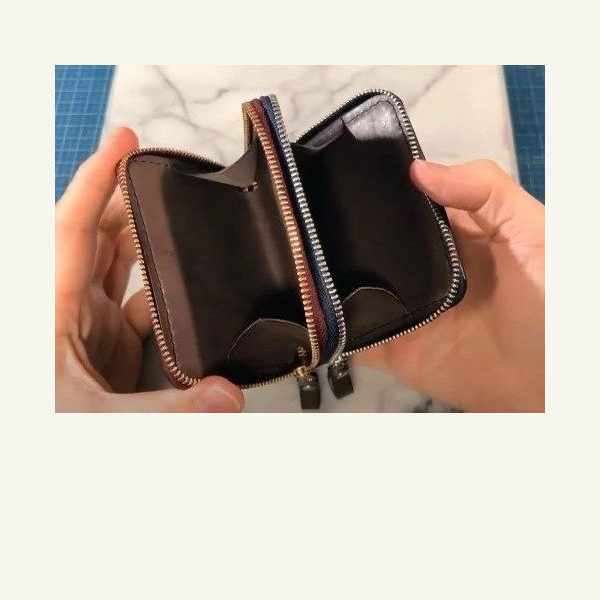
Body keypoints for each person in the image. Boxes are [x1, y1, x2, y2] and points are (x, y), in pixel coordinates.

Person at [55, 128, 544, 412]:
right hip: (323, 323)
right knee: (316, 342)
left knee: (316, 342)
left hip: (372, 315)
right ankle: (319, 360)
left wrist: (531, 375)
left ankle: (319, 362)